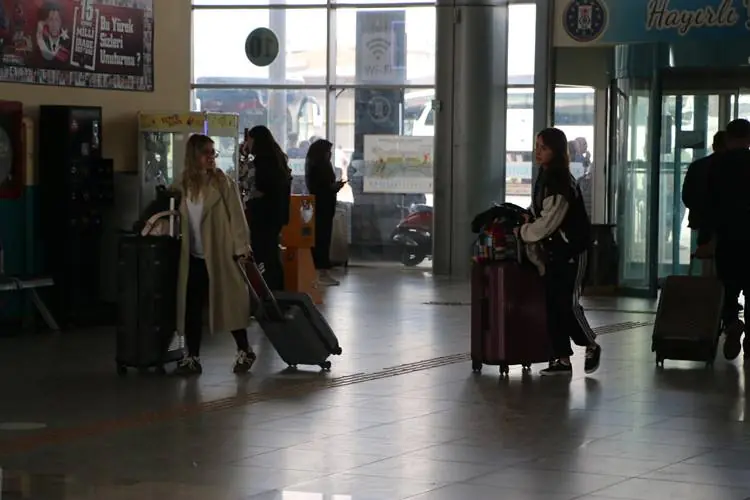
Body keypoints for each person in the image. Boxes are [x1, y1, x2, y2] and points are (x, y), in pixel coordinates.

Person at [517, 127, 601, 376]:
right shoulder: (546, 176)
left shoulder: (560, 180)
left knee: (567, 303)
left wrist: (524, 232)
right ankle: (560, 358)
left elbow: (549, 221)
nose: (538, 152)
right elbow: (540, 212)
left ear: (557, 150)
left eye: (543, 147)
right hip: (554, 252)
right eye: (537, 147)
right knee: (551, 304)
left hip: (572, 252)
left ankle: (590, 344)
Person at [173, 134, 255, 376]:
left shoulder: (223, 183)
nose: (211, 157)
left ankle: (244, 349)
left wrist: (241, 248)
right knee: (192, 307)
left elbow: (237, 217)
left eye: (213, 152)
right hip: (193, 255)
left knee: (229, 302)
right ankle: (192, 356)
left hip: (220, 253)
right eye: (206, 152)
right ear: (193, 156)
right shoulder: (183, 185)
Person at [701, 119, 750, 360]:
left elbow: (708, 205)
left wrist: (704, 239)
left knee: (728, 289)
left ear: (728, 138)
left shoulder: (718, 165)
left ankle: (732, 323)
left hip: (728, 238)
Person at [243, 125, 291, 291]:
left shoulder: (260, 163)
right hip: (275, 215)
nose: (247, 143)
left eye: (249, 139)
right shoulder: (278, 160)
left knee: (263, 255)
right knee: (272, 254)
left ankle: (268, 291)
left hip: (261, 215)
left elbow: (255, 188)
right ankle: (277, 290)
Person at [683, 131, 727, 271]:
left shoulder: (698, 166)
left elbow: (687, 196)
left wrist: (698, 210)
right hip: (729, 224)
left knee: (706, 263)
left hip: (702, 221)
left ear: (714, 146)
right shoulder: (734, 166)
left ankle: (707, 289)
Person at [305, 139, 346, 286]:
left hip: (325, 206)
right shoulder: (318, 166)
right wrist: (333, 187)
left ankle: (321, 270)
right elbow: (320, 188)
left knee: (323, 238)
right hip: (322, 206)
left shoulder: (317, 164)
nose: (329, 154)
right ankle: (320, 272)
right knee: (321, 239)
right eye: (328, 151)